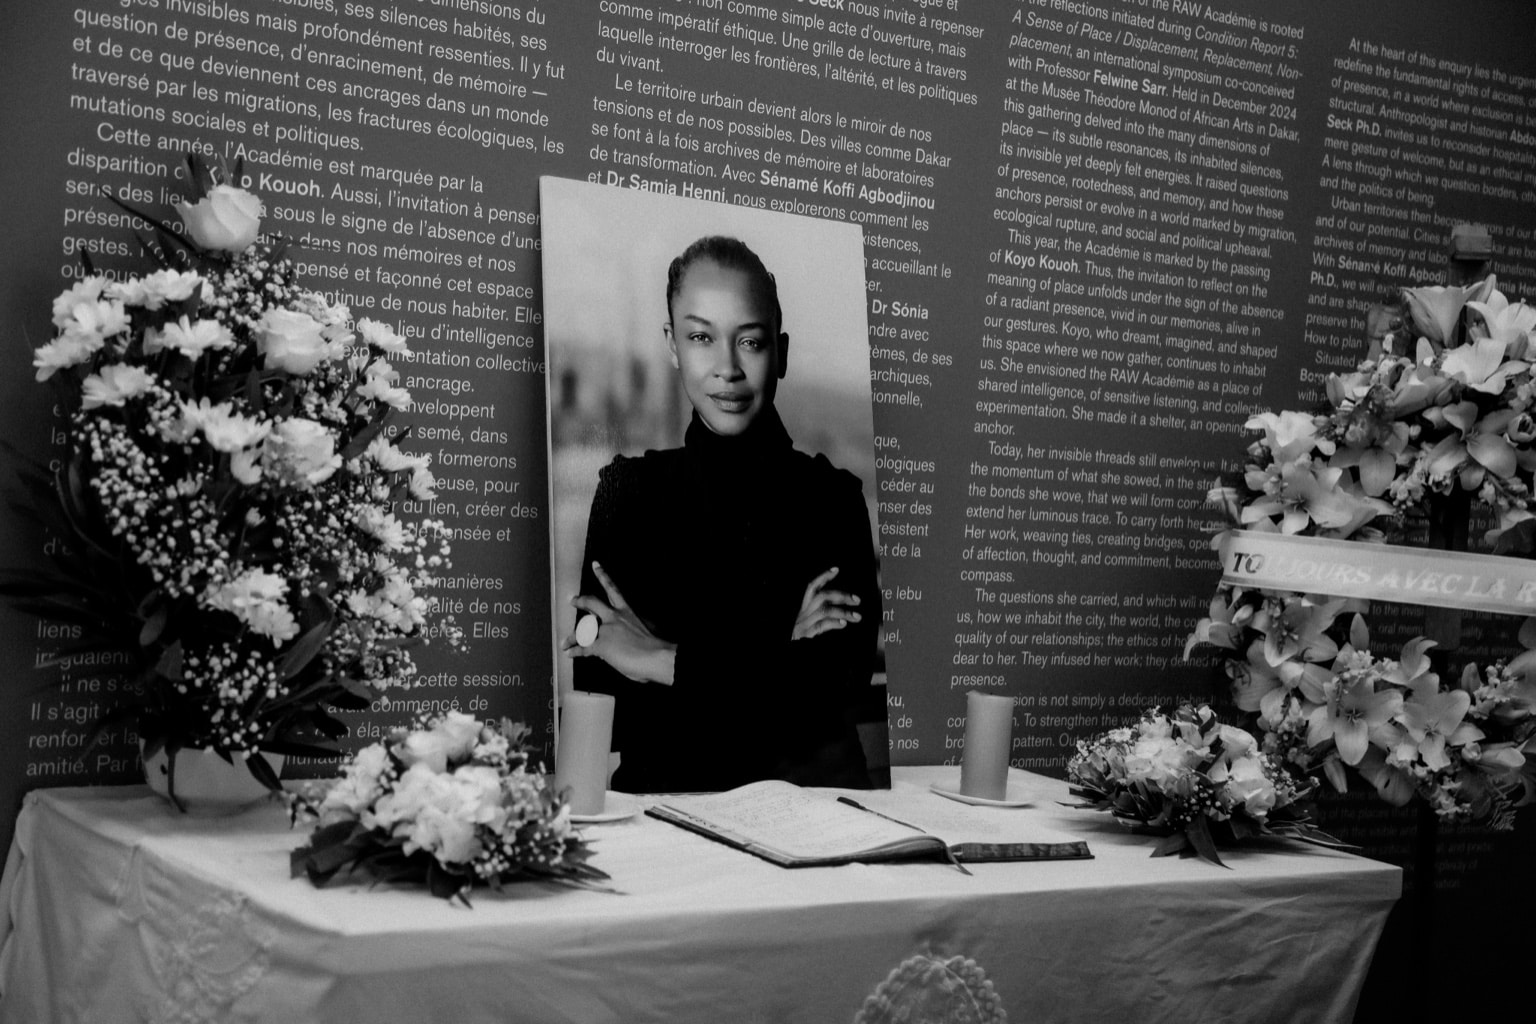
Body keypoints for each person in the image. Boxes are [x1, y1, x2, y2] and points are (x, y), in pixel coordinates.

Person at [562, 235, 881, 792]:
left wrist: (659, 657)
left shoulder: (834, 500)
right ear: (672, 344)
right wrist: (781, 645)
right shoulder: (627, 492)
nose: (727, 368)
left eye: (750, 342)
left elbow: (830, 693)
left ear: (780, 352)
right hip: (662, 808)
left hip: (809, 812)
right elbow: (613, 706)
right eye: (701, 337)